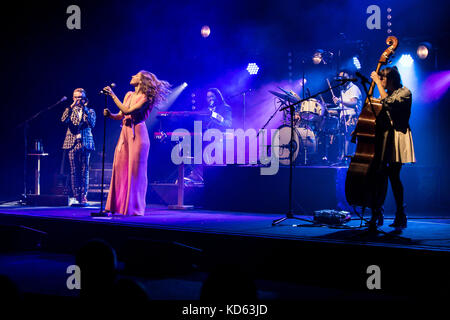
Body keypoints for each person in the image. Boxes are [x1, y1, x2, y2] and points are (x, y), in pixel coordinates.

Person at [102, 71, 171, 216]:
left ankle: (133, 208)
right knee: (119, 168)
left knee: (134, 172)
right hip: (125, 134)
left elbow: (128, 110)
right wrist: (110, 115)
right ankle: (116, 205)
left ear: (142, 80)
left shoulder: (146, 98)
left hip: (138, 134)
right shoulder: (129, 95)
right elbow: (121, 115)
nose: (132, 76)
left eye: (136, 75)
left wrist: (112, 95)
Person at [368, 66, 415, 231]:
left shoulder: (405, 93)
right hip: (385, 137)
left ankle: (400, 213)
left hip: (397, 136)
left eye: (383, 78)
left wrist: (377, 85)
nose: (381, 81)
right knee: (379, 175)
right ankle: (377, 212)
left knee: (394, 176)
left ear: (392, 79)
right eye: (380, 79)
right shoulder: (386, 92)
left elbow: (387, 103)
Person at [61, 88, 96, 206]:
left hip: (85, 143)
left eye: (80, 97)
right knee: (74, 170)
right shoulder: (70, 110)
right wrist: (71, 107)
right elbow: (63, 120)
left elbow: (92, 123)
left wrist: (84, 109)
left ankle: (84, 195)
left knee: (84, 170)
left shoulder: (90, 111)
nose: (78, 100)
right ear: (73, 98)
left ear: (85, 99)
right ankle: (76, 195)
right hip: (72, 143)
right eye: (76, 97)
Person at [332, 70, 362, 160]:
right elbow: (343, 106)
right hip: (344, 117)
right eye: (340, 78)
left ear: (349, 77)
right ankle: (343, 157)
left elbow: (354, 102)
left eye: (343, 78)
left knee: (348, 138)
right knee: (342, 137)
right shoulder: (343, 90)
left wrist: (340, 101)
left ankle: (347, 158)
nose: (341, 80)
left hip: (352, 117)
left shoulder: (354, 88)